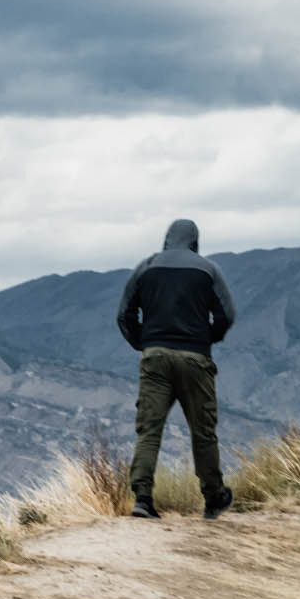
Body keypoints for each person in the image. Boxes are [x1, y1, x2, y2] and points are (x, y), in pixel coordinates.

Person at [116, 219, 237, 520]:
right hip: (195, 358)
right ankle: (213, 497)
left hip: (155, 357)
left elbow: (124, 314)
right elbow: (226, 314)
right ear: (195, 240)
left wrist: (143, 342)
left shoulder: (146, 267)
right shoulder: (208, 269)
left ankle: (143, 498)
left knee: (149, 429)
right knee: (203, 431)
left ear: (167, 238)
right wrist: (207, 338)